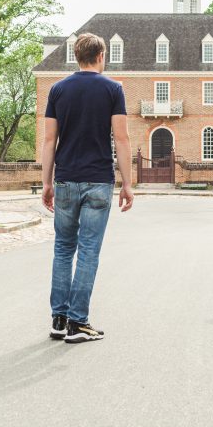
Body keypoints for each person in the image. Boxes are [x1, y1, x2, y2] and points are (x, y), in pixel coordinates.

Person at [41, 33, 134, 344]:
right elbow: (121, 139)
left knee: (63, 249)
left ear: (76, 57)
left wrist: (46, 181)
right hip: (97, 180)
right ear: (101, 55)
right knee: (89, 251)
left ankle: (58, 318)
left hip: (65, 179)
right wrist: (128, 184)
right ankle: (78, 322)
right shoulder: (112, 89)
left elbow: (49, 140)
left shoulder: (58, 89)